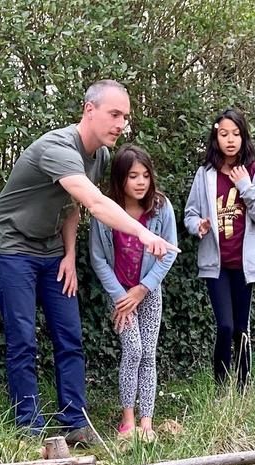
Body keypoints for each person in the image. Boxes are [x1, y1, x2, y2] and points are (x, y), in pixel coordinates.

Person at [0, 80, 175, 445]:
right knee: (23, 338)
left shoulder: (101, 155)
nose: (121, 124)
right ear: (90, 110)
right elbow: (94, 203)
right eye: (114, 114)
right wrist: (144, 234)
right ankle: (28, 426)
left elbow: (70, 207)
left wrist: (69, 254)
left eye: (125, 117)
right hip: (13, 247)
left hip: (53, 250)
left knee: (70, 336)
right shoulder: (58, 147)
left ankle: (75, 422)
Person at [183, 107, 255, 390]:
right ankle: (220, 388)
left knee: (241, 329)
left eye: (236, 134)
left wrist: (246, 187)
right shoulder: (205, 175)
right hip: (216, 264)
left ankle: (243, 387)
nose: (230, 140)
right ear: (216, 137)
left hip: (245, 266)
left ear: (244, 137)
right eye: (224, 134)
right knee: (224, 326)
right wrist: (196, 225)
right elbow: (189, 213)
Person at [88, 145, 177, 442]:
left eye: (146, 175)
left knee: (148, 354)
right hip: (120, 297)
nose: (141, 182)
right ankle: (127, 419)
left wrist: (143, 289)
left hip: (148, 292)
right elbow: (98, 258)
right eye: (133, 176)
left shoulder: (162, 207)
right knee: (133, 350)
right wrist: (119, 296)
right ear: (120, 179)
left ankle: (147, 421)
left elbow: (168, 252)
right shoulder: (105, 211)